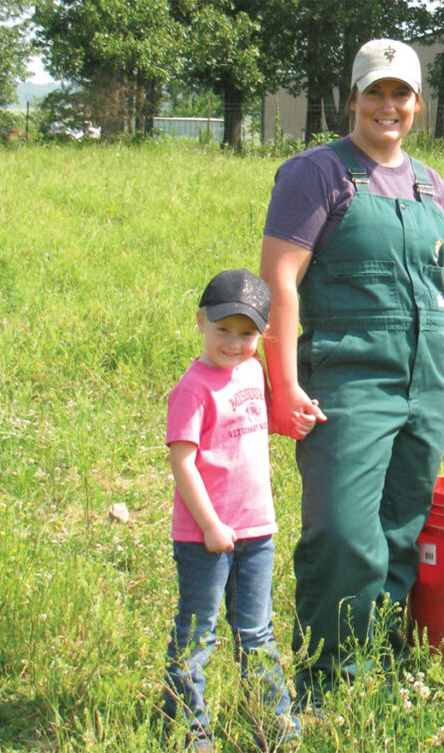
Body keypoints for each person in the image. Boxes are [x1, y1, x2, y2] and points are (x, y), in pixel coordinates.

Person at [260, 38, 444, 707]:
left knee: (401, 529)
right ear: (352, 97)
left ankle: (381, 662)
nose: (389, 106)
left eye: (402, 94)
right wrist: (283, 378)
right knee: (342, 533)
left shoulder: (429, 183)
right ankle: (326, 681)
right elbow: (281, 279)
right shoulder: (317, 173)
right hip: (347, 380)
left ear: (419, 104)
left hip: (425, 381)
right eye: (376, 92)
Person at [162, 269, 320, 750]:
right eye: (222, 330)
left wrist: (297, 419)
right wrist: (211, 525)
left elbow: (257, 422)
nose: (233, 343)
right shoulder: (192, 389)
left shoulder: (252, 371)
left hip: (257, 530)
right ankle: (189, 730)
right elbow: (183, 462)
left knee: (257, 633)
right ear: (200, 322)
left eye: (247, 333)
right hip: (205, 537)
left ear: (262, 333)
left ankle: (278, 725)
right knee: (197, 634)